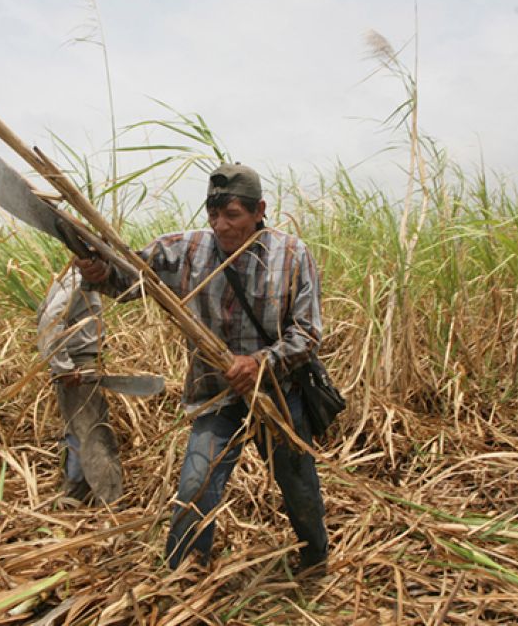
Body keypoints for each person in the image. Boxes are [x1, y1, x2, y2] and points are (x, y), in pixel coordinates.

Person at [76, 163, 328, 573]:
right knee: (196, 484)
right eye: (214, 215)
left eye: (233, 216)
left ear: (259, 209)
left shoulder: (293, 255)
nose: (221, 226)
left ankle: (315, 560)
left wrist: (260, 362)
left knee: (300, 487)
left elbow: (308, 334)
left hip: (280, 395)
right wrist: (100, 271)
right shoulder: (184, 250)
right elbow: (127, 280)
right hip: (217, 394)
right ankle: (184, 574)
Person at [37, 266, 123, 505]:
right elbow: (49, 320)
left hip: (76, 364)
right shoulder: (77, 279)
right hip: (78, 365)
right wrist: (64, 367)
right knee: (96, 435)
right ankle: (111, 503)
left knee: (78, 431)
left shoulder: (69, 277)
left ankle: (76, 493)